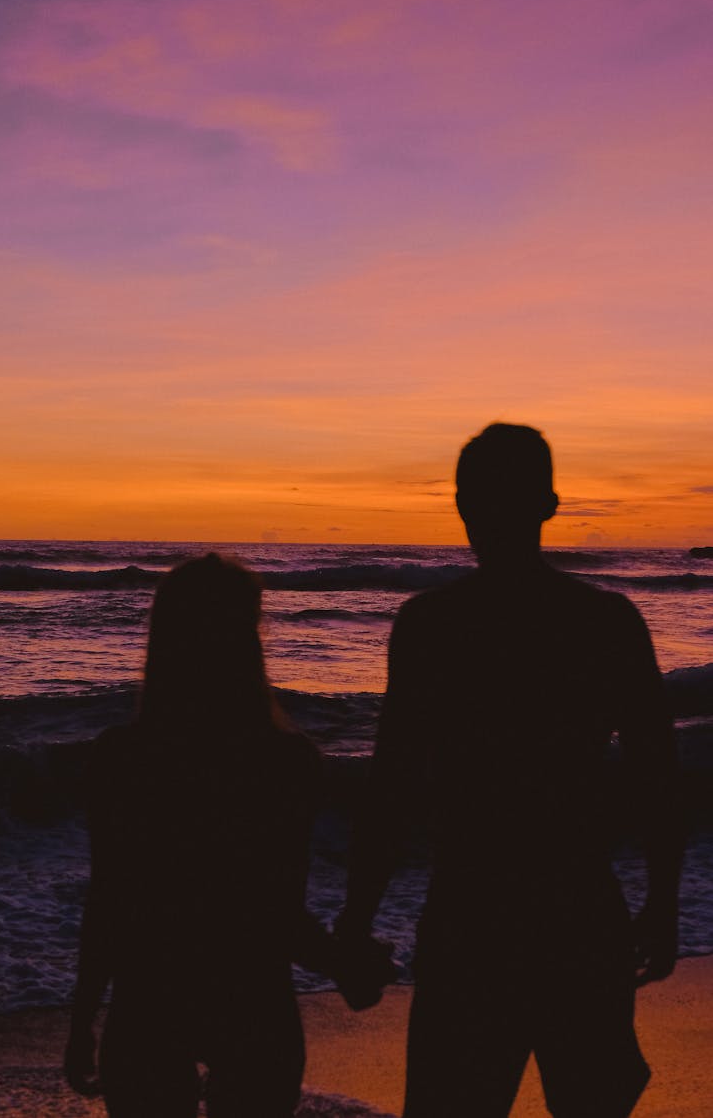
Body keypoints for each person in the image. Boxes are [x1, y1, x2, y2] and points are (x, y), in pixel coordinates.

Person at [336, 424, 685, 1118]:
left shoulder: (432, 625)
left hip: (472, 914)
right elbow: (657, 777)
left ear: (465, 506)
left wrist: (355, 919)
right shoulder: (606, 621)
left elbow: (393, 786)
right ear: (549, 503)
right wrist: (663, 903)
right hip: (578, 910)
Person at [64, 553, 333, 1118]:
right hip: (255, 999)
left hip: (149, 999)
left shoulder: (123, 758)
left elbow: (110, 898)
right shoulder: (286, 761)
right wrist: (343, 962)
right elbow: (280, 908)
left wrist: (83, 1016)